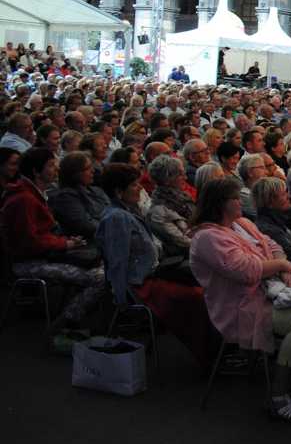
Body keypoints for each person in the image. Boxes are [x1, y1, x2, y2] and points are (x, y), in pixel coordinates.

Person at [189, 178, 291, 423]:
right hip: (241, 305)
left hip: (270, 289)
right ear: (221, 204)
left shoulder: (241, 223)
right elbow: (246, 271)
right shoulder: (207, 238)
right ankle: (278, 396)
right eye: (235, 198)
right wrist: (282, 264)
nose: (241, 201)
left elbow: (272, 244)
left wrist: (283, 268)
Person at [96, 162, 214, 367]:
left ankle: (212, 349)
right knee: (197, 297)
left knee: (205, 286)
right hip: (139, 284)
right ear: (118, 191)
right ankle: (208, 354)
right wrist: (122, 299)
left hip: (151, 273)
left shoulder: (128, 211)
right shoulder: (117, 218)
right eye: (134, 185)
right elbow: (117, 261)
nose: (140, 188)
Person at [1, 147, 104, 330]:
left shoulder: (33, 194)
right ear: (35, 171)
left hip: (43, 255)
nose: (56, 168)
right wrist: (65, 243)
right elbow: (29, 242)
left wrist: (64, 242)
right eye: (50, 165)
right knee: (101, 278)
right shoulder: (24, 199)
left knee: (102, 265)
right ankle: (64, 323)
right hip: (29, 262)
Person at [252, 176, 291, 278]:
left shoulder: (278, 221)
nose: (288, 196)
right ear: (270, 201)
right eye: (283, 194)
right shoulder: (270, 229)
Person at [48, 151, 111, 239]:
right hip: (87, 245)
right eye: (87, 168)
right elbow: (86, 226)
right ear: (75, 173)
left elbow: (111, 211)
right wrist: (112, 228)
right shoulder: (65, 197)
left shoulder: (95, 190)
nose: (93, 170)